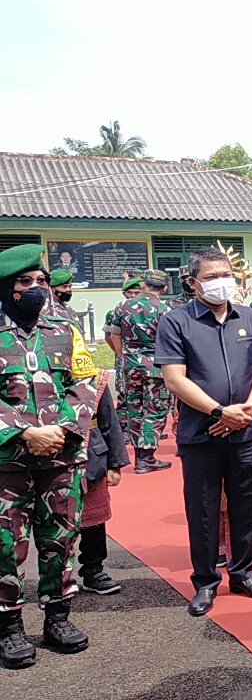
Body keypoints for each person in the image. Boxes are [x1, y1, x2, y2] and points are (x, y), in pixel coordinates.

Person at [156, 246, 252, 617]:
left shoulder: (251, 318)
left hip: (246, 430)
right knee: (204, 510)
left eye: (225, 275)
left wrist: (249, 409)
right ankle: (205, 582)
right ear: (193, 283)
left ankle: (243, 573)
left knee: (245, 504)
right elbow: (175, 379)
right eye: (211, 278)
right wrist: (219, 411)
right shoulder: (176, 322)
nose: (221, 283)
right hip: (201, 432)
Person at [0, 244, 98, 669]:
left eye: (42, 281)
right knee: (6, 546)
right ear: (6, 288)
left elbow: (86, 379)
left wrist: (64, 429)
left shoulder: (64, 327)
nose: (38, 288)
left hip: (60, 457)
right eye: (26, 282)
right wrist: (22, 431)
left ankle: (58, 618)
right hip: (7, 462)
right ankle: (9, 628)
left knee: (60, 540)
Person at [77, 366, 130, 595]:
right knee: (54, 528)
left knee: (94, 522)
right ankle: (57, 581)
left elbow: (109, 420)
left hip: (93, 456)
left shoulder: (94, 376)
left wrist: (115, 464)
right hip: (53, 458)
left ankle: (93, 571)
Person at [117, 270, 174, 474]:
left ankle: (139, 455)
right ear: (165, 288)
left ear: (142, 285)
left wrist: (123, 355)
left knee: (134, 407)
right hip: (156, 365)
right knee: (156, 408)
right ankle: (146, 456)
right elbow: (170, 341)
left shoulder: (122, 306)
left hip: (130, 363)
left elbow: (113, 334)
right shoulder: (165, 309)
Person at [105, 278, 143, 434]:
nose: (133, 295)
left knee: (145, 395)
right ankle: (124, 430)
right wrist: (120, 355)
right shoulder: (115, 312)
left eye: (136, 292)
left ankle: (143, 429)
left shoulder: (149, 311)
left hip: (145, 359)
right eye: (129, 293)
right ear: (124, 293)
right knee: (124, 394)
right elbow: (109, 336)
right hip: (124, 358)